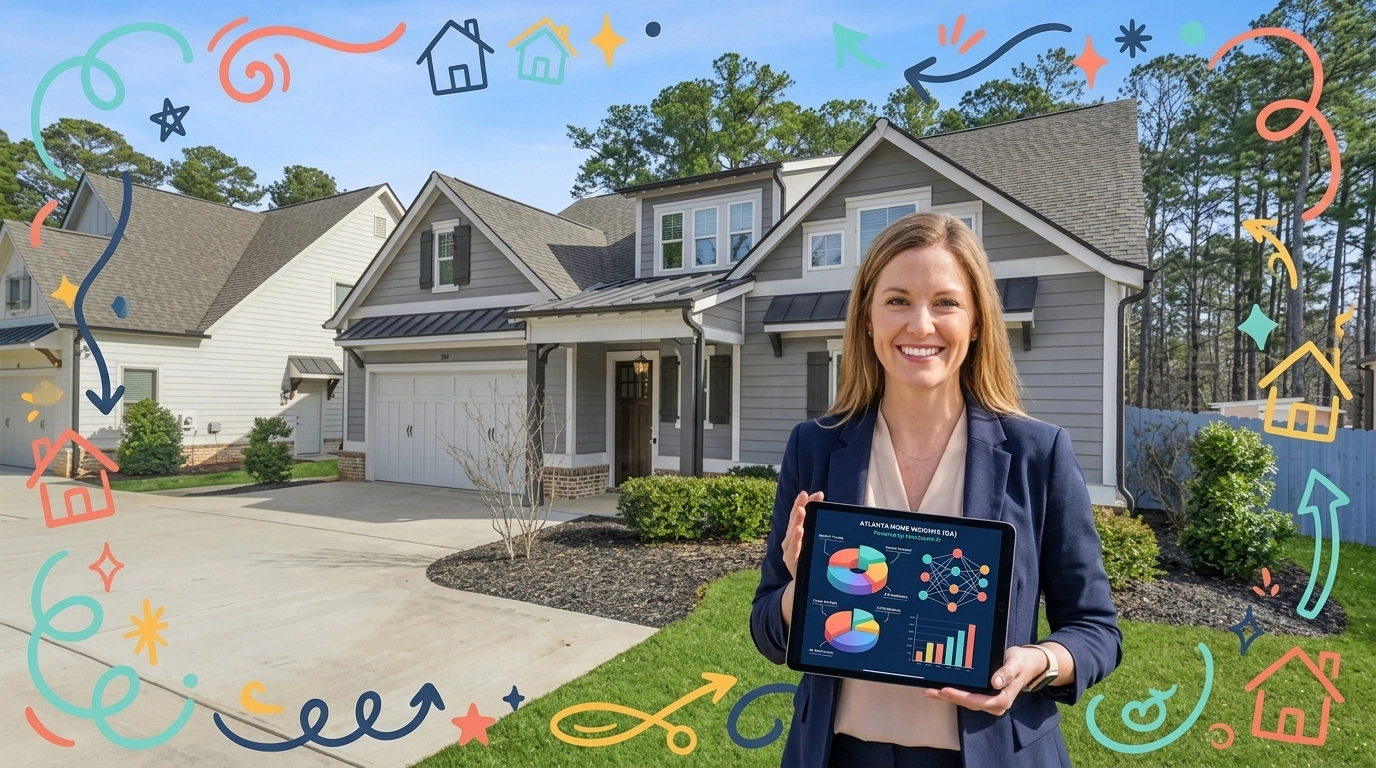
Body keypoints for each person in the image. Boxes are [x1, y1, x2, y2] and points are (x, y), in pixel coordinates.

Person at [750, 213, 1121, 767]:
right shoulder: (814, 447)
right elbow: (766, 627)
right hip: (838, 753)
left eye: (945, 303)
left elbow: (1095, 630)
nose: (920, 325)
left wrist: (1040, 662)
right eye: (897, 300)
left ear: (975, 324)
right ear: (868, 321)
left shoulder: (1038, 455)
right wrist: (797, 594)